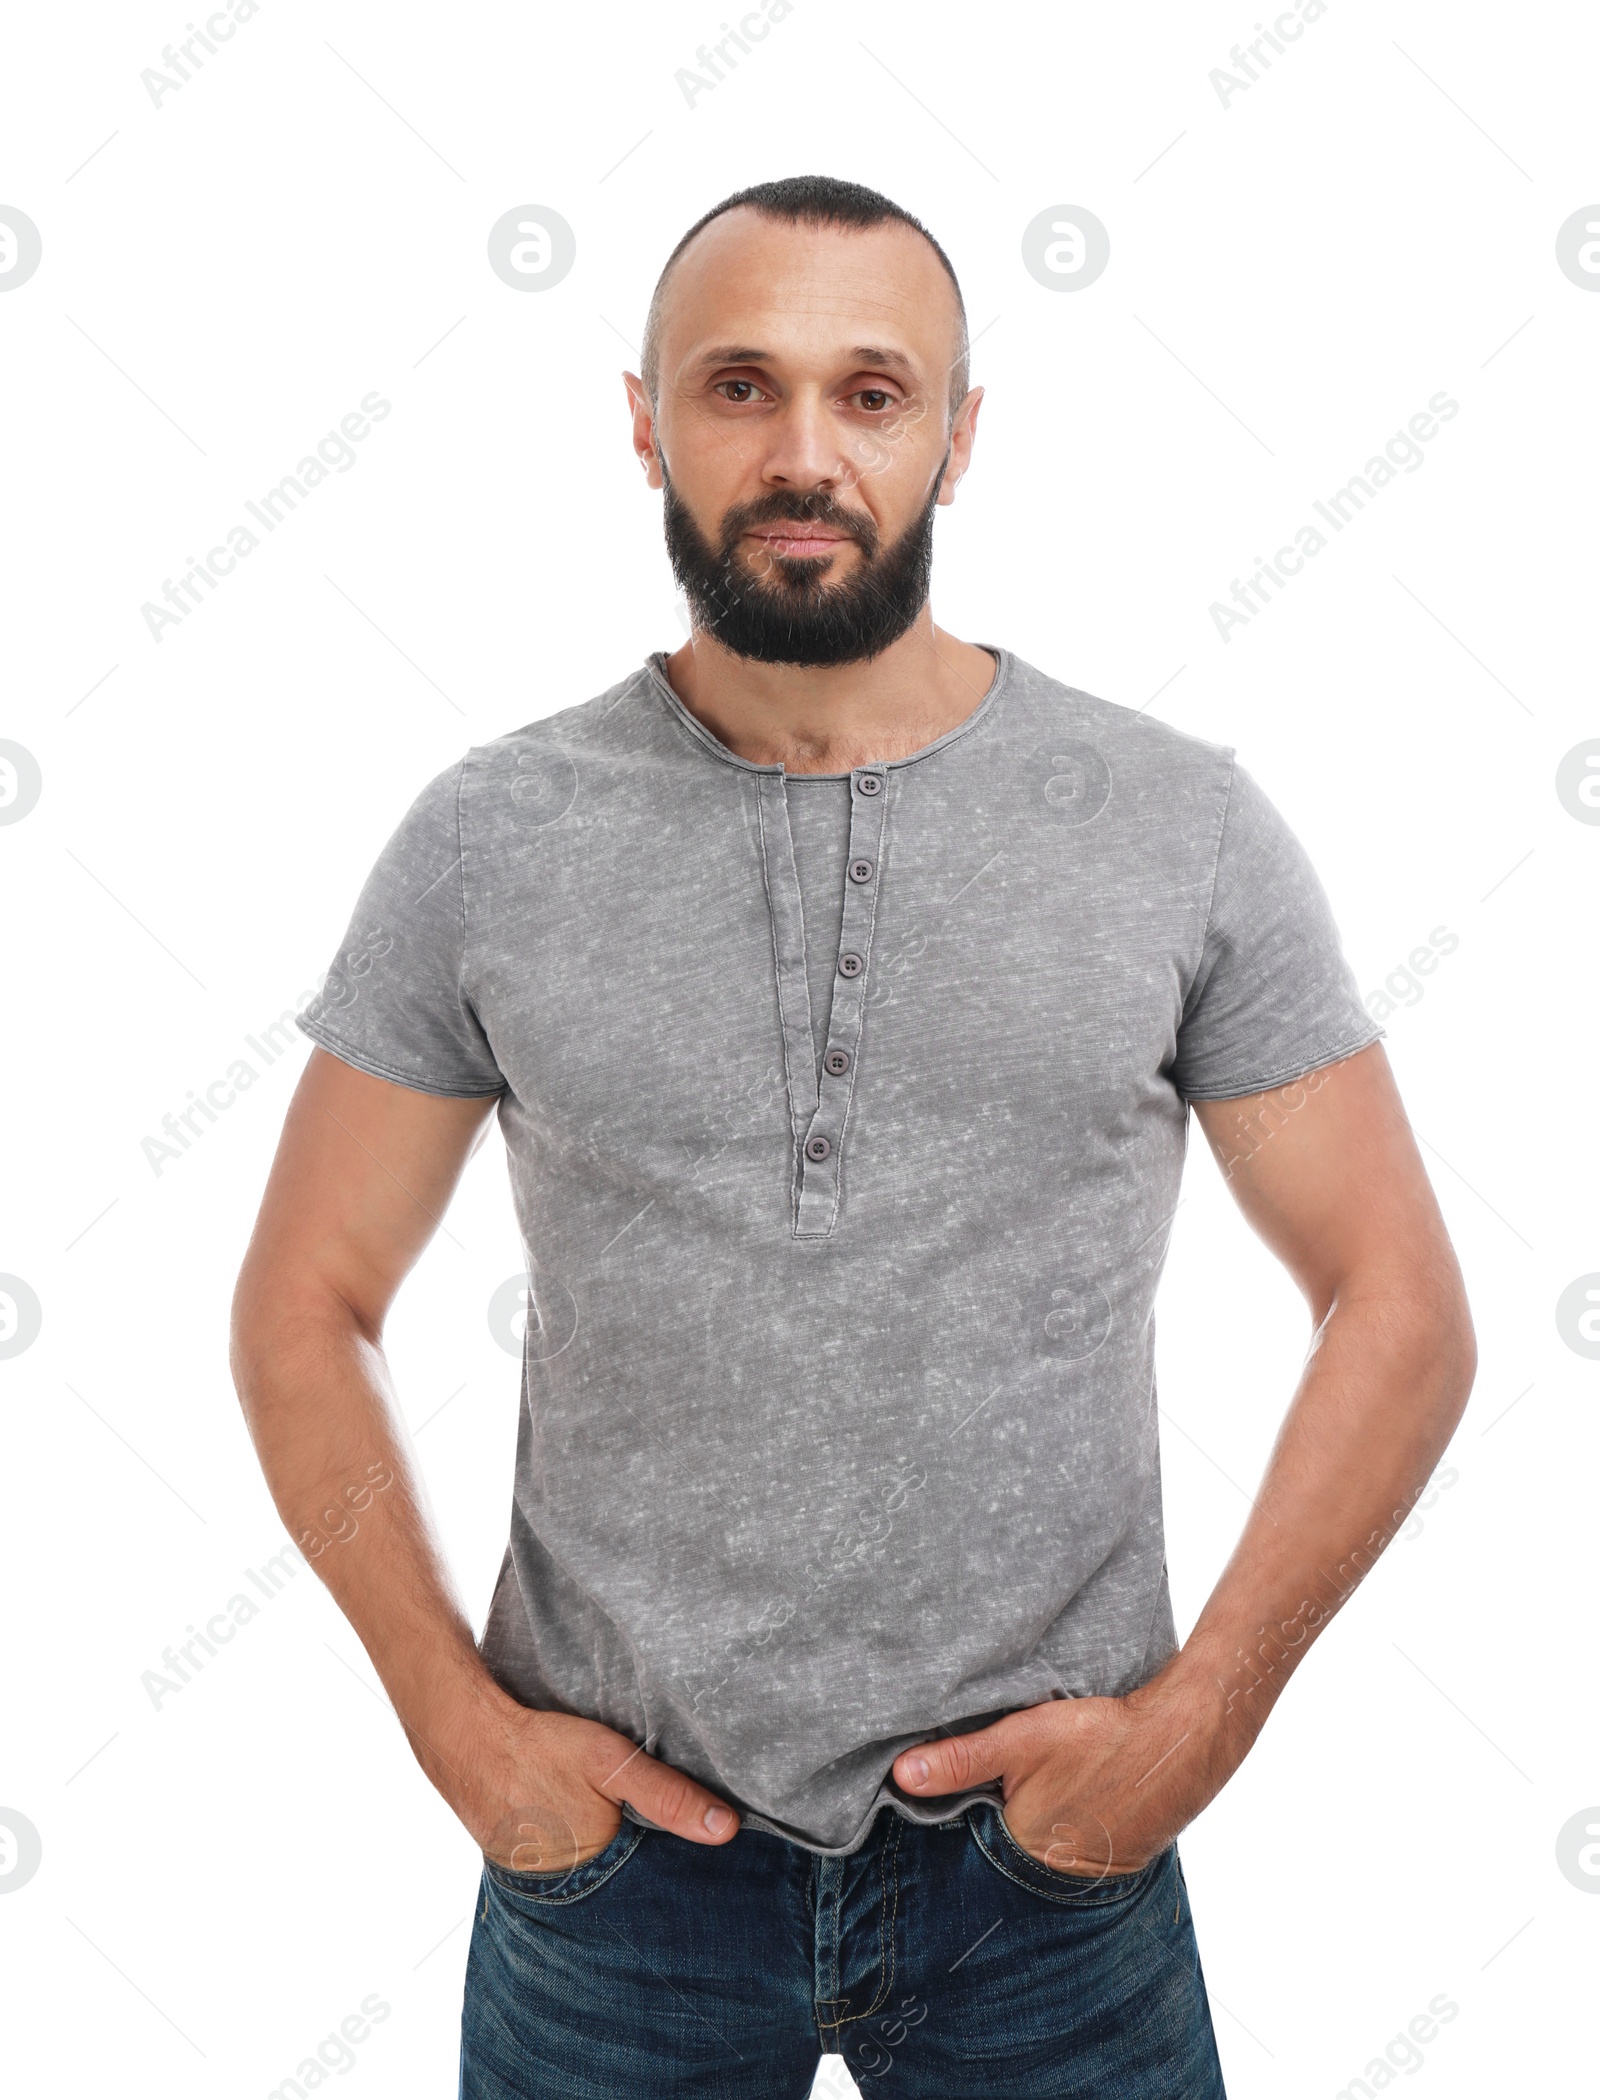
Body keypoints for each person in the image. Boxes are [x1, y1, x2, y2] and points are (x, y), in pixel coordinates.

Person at [230, 175, 1476, 2098]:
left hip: (1052, 1871)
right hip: (612, 1873)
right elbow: (304, 1302)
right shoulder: (489, 839)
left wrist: (1191, 1731)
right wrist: (461, 1735)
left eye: (874, 395)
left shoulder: (1176, 825)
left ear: (960, 437)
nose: (805, 454)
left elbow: (1398, 1302)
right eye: (740, 387)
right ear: (643, 419)